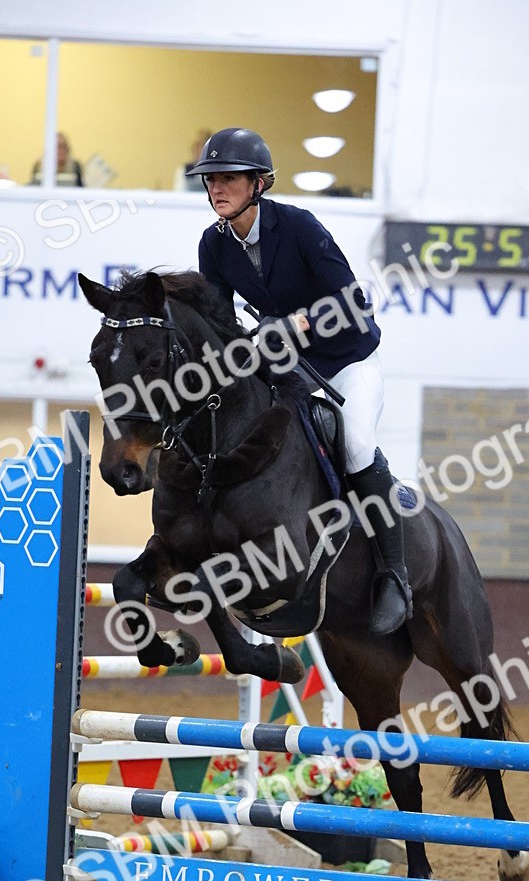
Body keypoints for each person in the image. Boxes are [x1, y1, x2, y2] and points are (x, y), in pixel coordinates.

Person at [186, 127, 412, 635]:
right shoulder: (213, 245)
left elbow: (354, 302)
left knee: (356, 444)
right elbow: (221, 322)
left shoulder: (299, 226)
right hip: (288, 372)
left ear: (259, 183)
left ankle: (395, 576)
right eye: (211, 179)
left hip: (347, 363)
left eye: (229, 178)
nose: (217, 188)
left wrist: (295, 325)